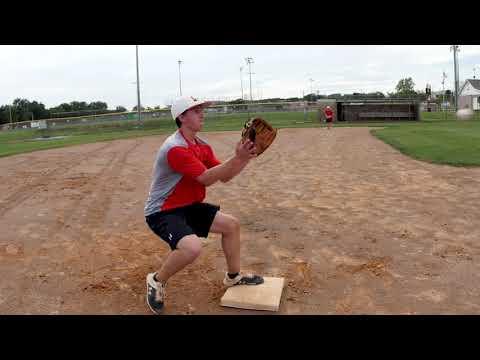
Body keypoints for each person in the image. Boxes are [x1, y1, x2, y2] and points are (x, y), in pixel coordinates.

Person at [144, 96, 264, 314]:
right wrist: (237, 157)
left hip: (188, 206)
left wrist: (244, 158)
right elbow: (206, 178)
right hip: (162, 212)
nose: (202, 113)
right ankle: (156, 280)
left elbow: (224, 175)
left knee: (231, 225)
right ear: (181, 117)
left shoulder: (202, 146)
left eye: (201, 109)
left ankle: (233, 276)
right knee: (192, 248)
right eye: (196, 110)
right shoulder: (175, 148)